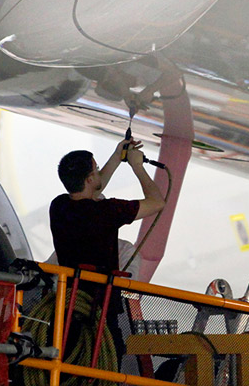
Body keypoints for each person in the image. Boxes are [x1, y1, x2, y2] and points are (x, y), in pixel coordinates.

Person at [49, 140, 165, 366]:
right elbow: (157, 202)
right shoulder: (108, 212)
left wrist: (116, 156)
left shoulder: (59, 207)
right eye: (96, 168)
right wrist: (137, 167)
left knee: (66, 362)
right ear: (91, 179)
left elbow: (92, 188)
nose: (99, 171)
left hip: (68, 303)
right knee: (106, 360)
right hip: (101, 308)